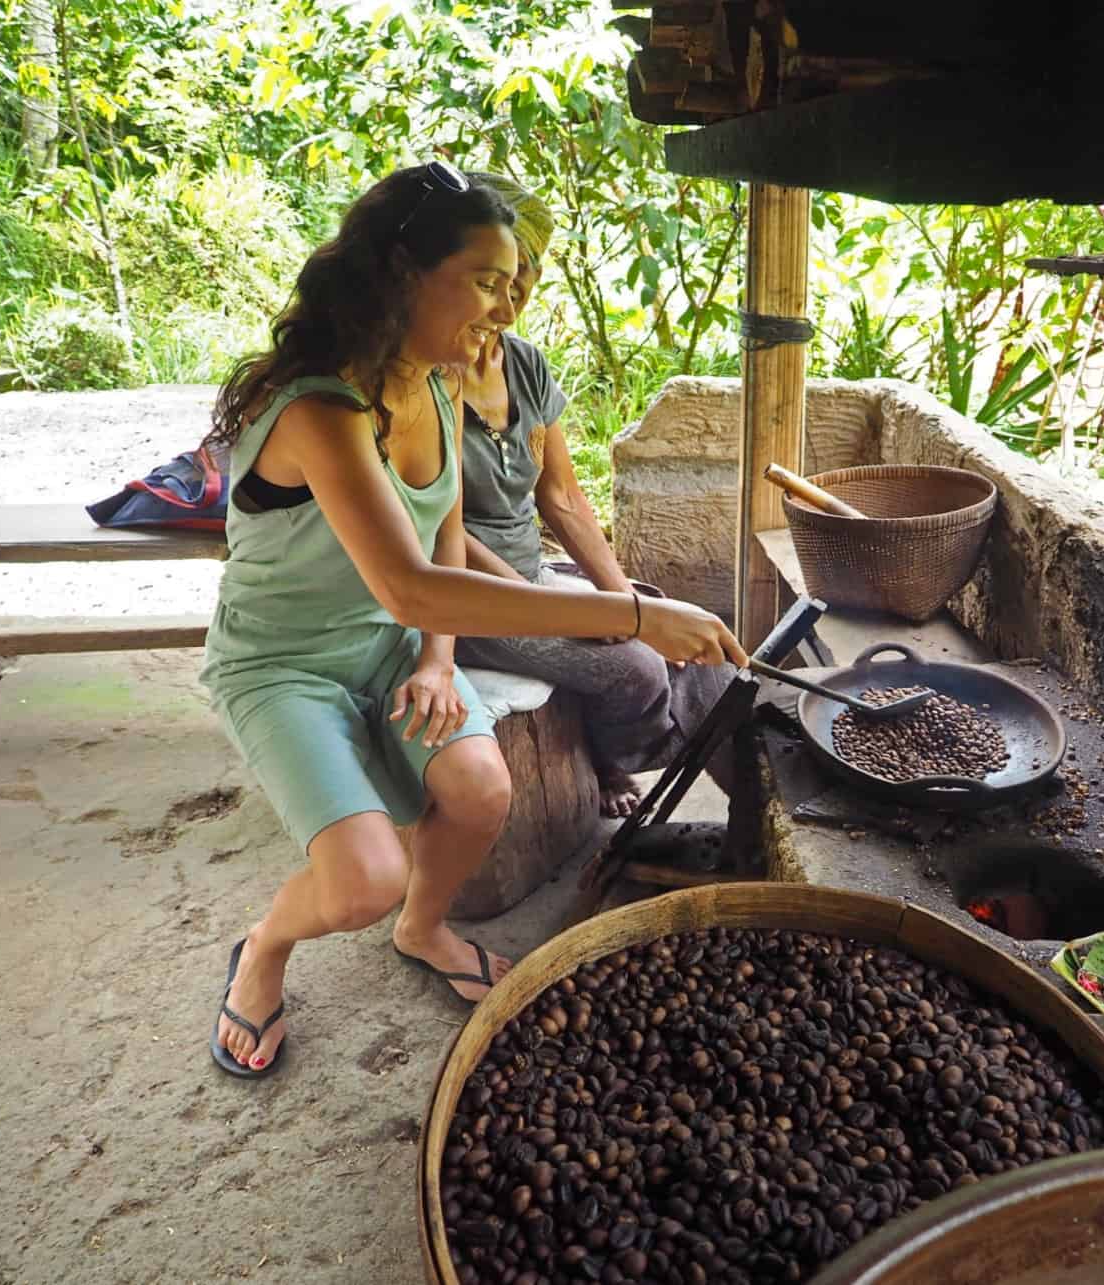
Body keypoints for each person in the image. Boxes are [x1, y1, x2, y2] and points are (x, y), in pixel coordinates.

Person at [199, 161, 745, 1079]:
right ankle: (263, 947)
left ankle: (423, 928)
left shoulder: (435, 382)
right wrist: (632, 614)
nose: (506, 305)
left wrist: (438, 661)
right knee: (362, 878)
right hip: (283, 663)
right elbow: (412, 581)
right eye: (488, 281)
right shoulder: (321, 409)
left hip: (395, 648)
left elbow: (443, 536)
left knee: (484, 790)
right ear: (403, 274)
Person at [451, 173, 734, 818]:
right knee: (633, 668)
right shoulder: (428, 379)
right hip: (468, 599)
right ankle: (619, 760)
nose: (517, 291)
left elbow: (564, 499)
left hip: (527, 577)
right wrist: (581, 616)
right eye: (501, 275)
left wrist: (620, 596)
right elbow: (443, 538)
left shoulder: (523, 363)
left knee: (689, 632)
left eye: (531, 269)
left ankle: (690, 752)